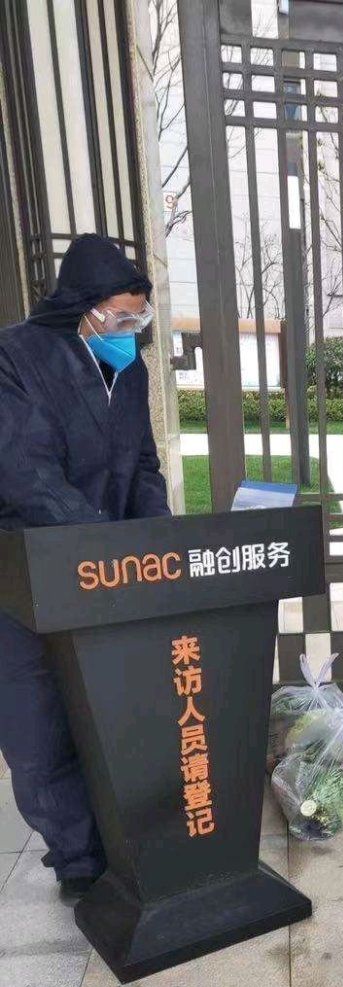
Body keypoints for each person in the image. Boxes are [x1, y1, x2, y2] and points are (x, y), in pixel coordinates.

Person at [0, 234, 169, 900]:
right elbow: (24, 473)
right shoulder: (15, 357)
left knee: (111, 711)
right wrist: (101, 543)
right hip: (33, 569)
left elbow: (145, 467)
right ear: (85, 308)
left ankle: (126, 838)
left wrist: (157, 545)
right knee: (37, 720)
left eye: (137, 319)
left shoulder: (130, 370)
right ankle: (75, 857)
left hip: (109, 572)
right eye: (121, 318)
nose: (130, 332)